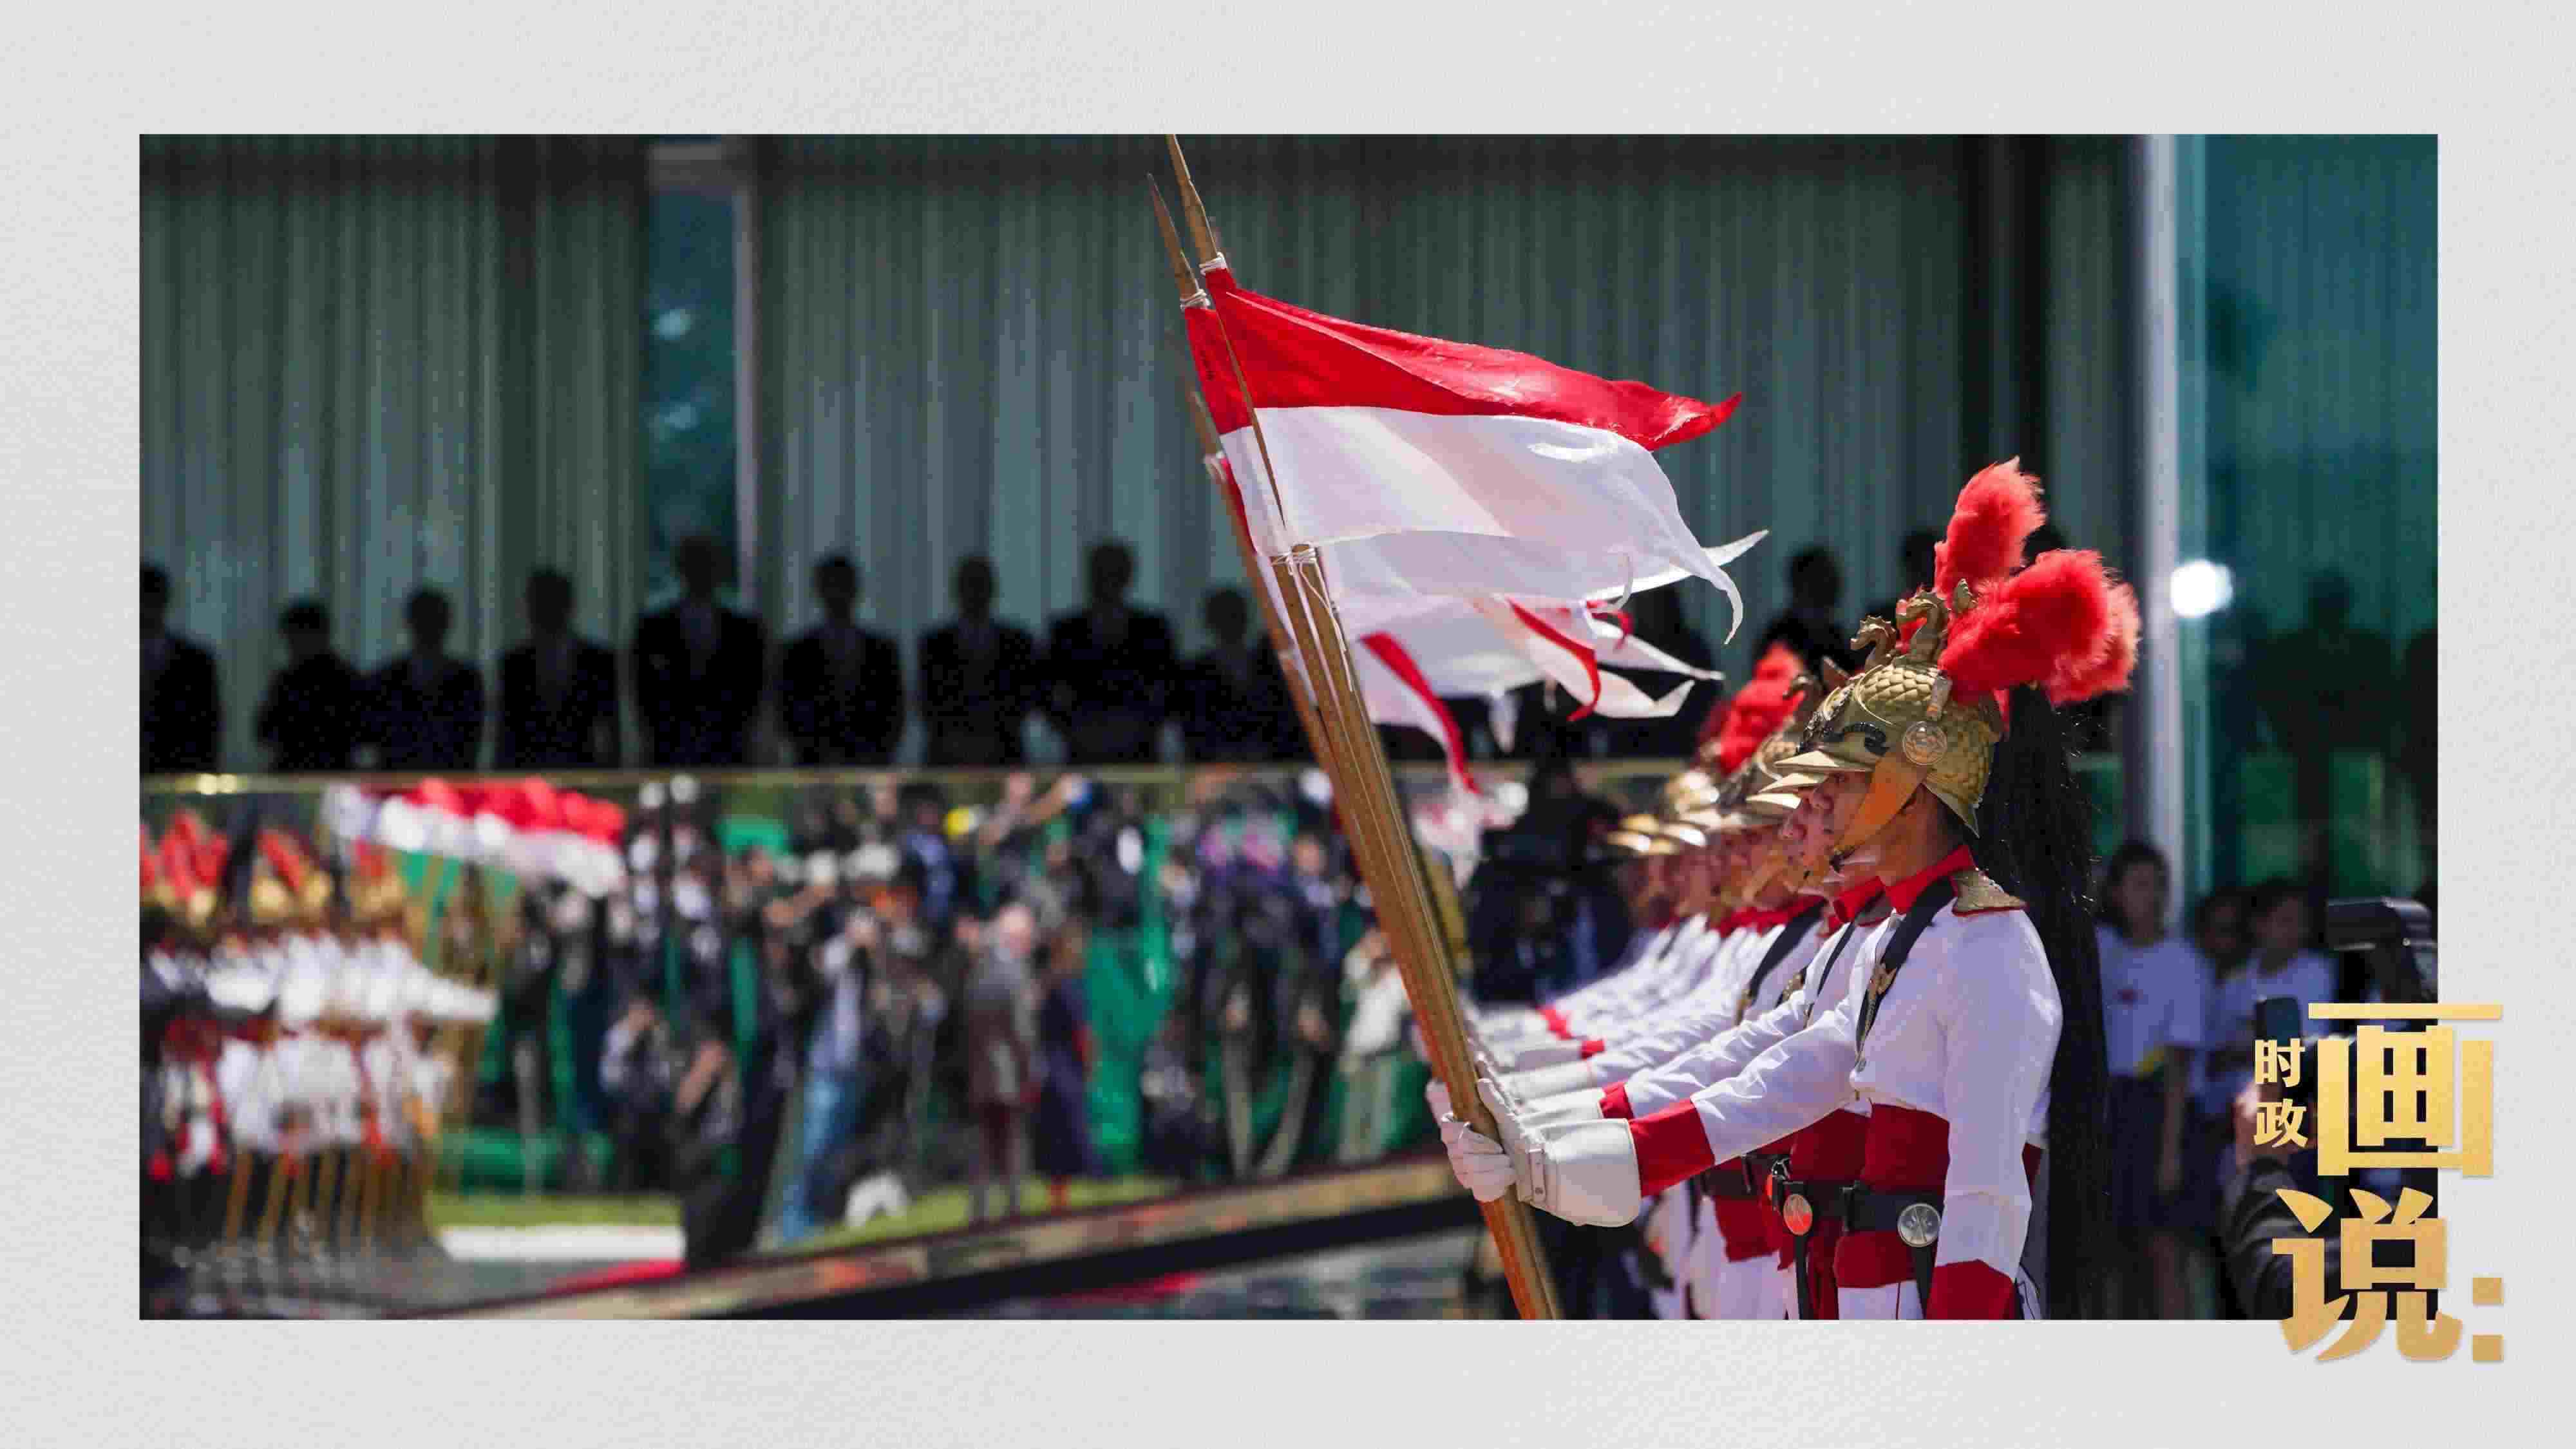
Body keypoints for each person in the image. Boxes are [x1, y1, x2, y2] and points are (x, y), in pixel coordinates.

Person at [1452, 460, 2134, 1321]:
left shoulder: (1990, 946)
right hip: (1837, 1290)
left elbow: (1986, 1201)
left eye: (1838, 785)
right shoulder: (1898, 941)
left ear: (1912, 787)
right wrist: (1551, 1147)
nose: (1812, 813)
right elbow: (1766, 1078)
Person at [2094, 839, 2208, 1318]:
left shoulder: (2182, 961)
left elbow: (2179, 1067)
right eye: (2140, 884)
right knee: (2113, 1250)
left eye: (2160, 885)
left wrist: (2169, 1155)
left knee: (2164, 1247)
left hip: (2161, 1108)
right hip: (2111, 1107)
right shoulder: (2104, 949)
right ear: (2116, 892)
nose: (2153, 895)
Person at [632, 534, 767, 767]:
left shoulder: (745, 629)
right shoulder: (652, 627)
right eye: (694, 563)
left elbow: (755, 689)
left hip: (729, 743)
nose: (700, 571)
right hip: (669, 743)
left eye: (705, 563)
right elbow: (642, 689)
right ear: (681, 568)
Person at [1044, 538, 1177, 764]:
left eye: (1115, 572)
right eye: (1103, 572)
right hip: (1083, 750)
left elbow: (1170, 689)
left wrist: (1141, 726)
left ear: (1127, 576)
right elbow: (1049, 690)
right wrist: (1076, 729)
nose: (1108, 580)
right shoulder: (1065, 631)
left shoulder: (1154, 629)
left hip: (1139, 749)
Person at [779, 554, 904, 766]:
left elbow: (894, 711)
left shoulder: (883, 651)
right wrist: (818, 751)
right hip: (813, 765)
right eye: (831, 585)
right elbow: (789, 712)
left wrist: (872, 752)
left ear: (855, 589)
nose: (837, 593)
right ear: (819, 590)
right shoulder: (796, 652)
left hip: (870, 763)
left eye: (842, 585)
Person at [918, 555, 1043, 766]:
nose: (975, 592)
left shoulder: (1018, 643)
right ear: (957, 590)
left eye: (980, 584)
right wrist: (957, 741)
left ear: (993, 589)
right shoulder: (934, 645)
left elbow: (1026, 697)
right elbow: (927, 702)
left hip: (1004, 756)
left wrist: (993, 739)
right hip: (947, 757)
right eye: (970, 584)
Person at [495, 568, 621, 770]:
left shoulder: (598, 661)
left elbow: (611, 728)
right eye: (539, 603)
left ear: (568, 605)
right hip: (529, 771)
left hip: (584, 769)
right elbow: (506, 732)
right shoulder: (514, 664)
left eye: (551, 601)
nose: (544, 610)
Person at [963, 902, 1040, 1223]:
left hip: (980, 1070)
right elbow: (1021, 1031)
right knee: (1012, 1142)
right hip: (1009, 1073)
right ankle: (1014, 1208)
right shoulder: (1015, 975)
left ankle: (979, 1211)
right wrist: (1030, 1068)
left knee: (983, 1144)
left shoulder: (978, 974)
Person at [368, 587, 486, 772]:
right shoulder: (386, 679)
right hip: (398, 780)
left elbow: (469, 741)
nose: (428, 627)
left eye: (434, 619)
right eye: (423, 619)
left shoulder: (467, 679)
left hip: (449, 779)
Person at [1176, 586, 1300, 762]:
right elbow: (1193, 725)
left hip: (1271, 762)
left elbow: (1283, 719)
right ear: (1211, 622)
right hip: (1215, 765)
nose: (1229, 622)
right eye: (1223, 616)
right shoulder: (1195, 673)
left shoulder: (1270, 667)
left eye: (1233, 615)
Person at [1031, 914, 1099, 1211]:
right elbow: (1081, 1033)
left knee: (1058, 1143)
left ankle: (1060, 1201)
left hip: (1049, 1070)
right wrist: (1089, 1064)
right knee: (1071, 1139)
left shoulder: (1048, 984)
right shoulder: (1068, 986)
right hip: (1065, 1071)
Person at [253, 598, 366, 772]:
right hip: (297, 770)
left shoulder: (344, 679)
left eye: (296, 637)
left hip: (329, 771)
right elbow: (264, 731)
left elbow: (356, 733)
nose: (291, 645)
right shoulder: (286, 679)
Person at [141, 563, 221, 774]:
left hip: (179, 775)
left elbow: (207, 729)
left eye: (150, 600)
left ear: (163, 601)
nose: (144, 609)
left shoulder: (195, 662)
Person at [1753, 545, 1860, 679]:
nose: (1830, 590)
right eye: (1820, 583)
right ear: (1799, 586)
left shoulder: (1836, 639)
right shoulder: (1778, 638)